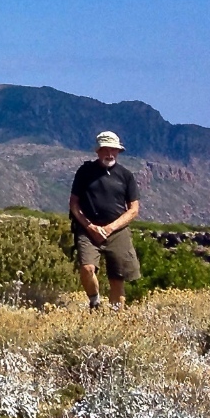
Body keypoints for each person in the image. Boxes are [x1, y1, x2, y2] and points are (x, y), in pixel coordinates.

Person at [69, 131, 140, 308]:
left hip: (117, 231)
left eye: (113, 150)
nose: (110, 154)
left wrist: (110, 228)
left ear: (118, 151)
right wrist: (89, 226)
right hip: (88, 230)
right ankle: (95, 302)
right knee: (87, 268)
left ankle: (116, 316)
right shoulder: (85, 172)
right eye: (105, 150)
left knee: (117, 278)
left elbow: (133, 209)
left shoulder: (126, 175)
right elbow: (74, 204)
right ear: (98, 151)